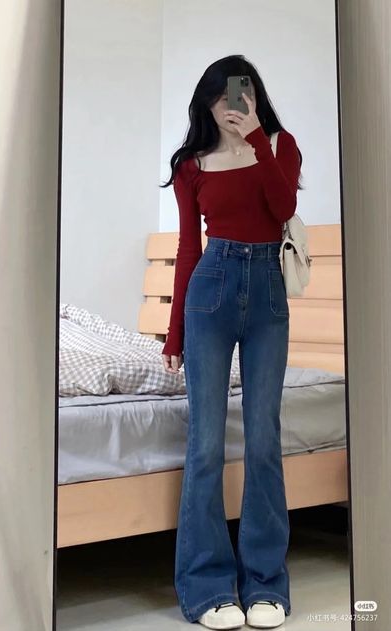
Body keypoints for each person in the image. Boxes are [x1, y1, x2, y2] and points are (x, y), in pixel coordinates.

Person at [160, 55, 302, 629]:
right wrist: (174, 332)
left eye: (239, 95)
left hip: (268, 292)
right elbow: (188, 250)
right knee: (206, 444)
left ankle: (266, 584)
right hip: (210, 290)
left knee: (264, 439)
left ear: (253, 97)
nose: (229, 106)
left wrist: (258, 143)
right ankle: (207, 588)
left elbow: (283, 208)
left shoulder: (279, 145)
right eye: (219, 97)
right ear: (206, 102)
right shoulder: (191, 165)